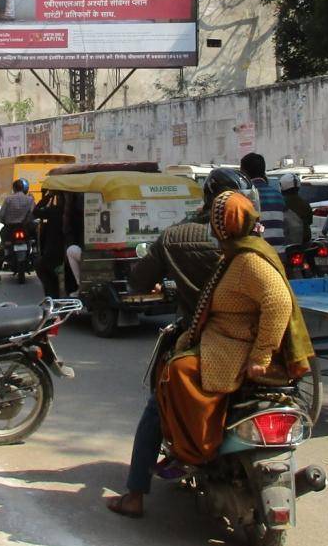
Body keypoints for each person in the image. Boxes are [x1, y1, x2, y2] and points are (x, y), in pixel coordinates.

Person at [154, 189, 315, 469]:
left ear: (224, 226)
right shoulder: (239, 253)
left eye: (217, 224)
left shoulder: (248, 259)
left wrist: (260, 357)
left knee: (177, 371)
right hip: (227, 341)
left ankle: (196, 449)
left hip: (236, 348)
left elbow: (278, 301)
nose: (214, 231)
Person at [105, 166, 229, 520]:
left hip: (201, 340)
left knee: (157, 406)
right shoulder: (252, 240)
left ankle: (134, 495)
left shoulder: (178, 237)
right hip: (252, 346)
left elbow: (138, 282)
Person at [0, 178, 36, 281]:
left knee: (2, 247)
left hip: (9, 229)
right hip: (25, 228)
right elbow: (33, 213)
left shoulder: (8, 199)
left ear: (14, 188)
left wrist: (2, 220)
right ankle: (34, 251)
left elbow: (2, 214)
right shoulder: (30, 199)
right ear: (25, 188)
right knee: (34, 241)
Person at [241, 152, 285, 248]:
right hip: (280, 254)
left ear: (244, 172)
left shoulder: (244, 196)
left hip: (257, 257)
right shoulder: (278, 195)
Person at [34, 188, 68, 298]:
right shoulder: (70, 211)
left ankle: (52, 296)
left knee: (41, 267)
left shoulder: (55, 211)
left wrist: (48, 196)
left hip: (55, 251)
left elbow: (35, 211)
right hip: (63, 250)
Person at [280, 173, 312, 245]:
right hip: (305, 240)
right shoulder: (305, 204)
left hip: (286, 242)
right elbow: (310, 221)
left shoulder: (280, 203)